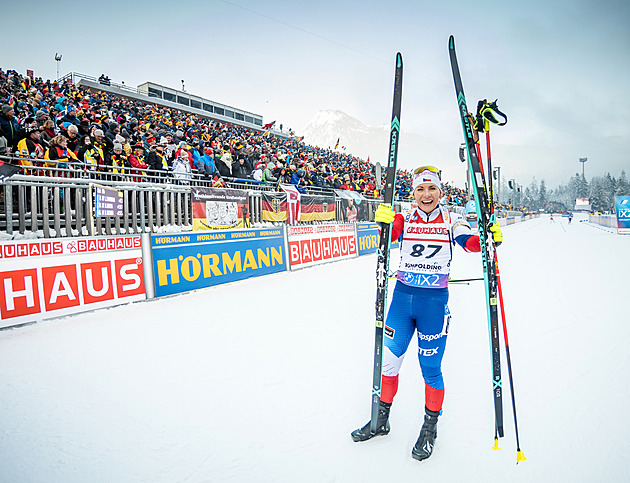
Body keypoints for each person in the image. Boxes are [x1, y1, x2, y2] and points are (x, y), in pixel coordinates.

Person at [350, 166, 503, 462]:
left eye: (432, 188)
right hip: (401, 303)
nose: (426, 194)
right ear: (413, 193)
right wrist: (381, 222)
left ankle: (429, 428)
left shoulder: (451, 219)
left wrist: (486, 238)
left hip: (433, 305)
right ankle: (380, 421)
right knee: (389, 365)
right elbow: (389, 236)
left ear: (441, 192)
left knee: (430, 368)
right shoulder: (404, 217)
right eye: (420, 189)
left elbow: (468, 243)